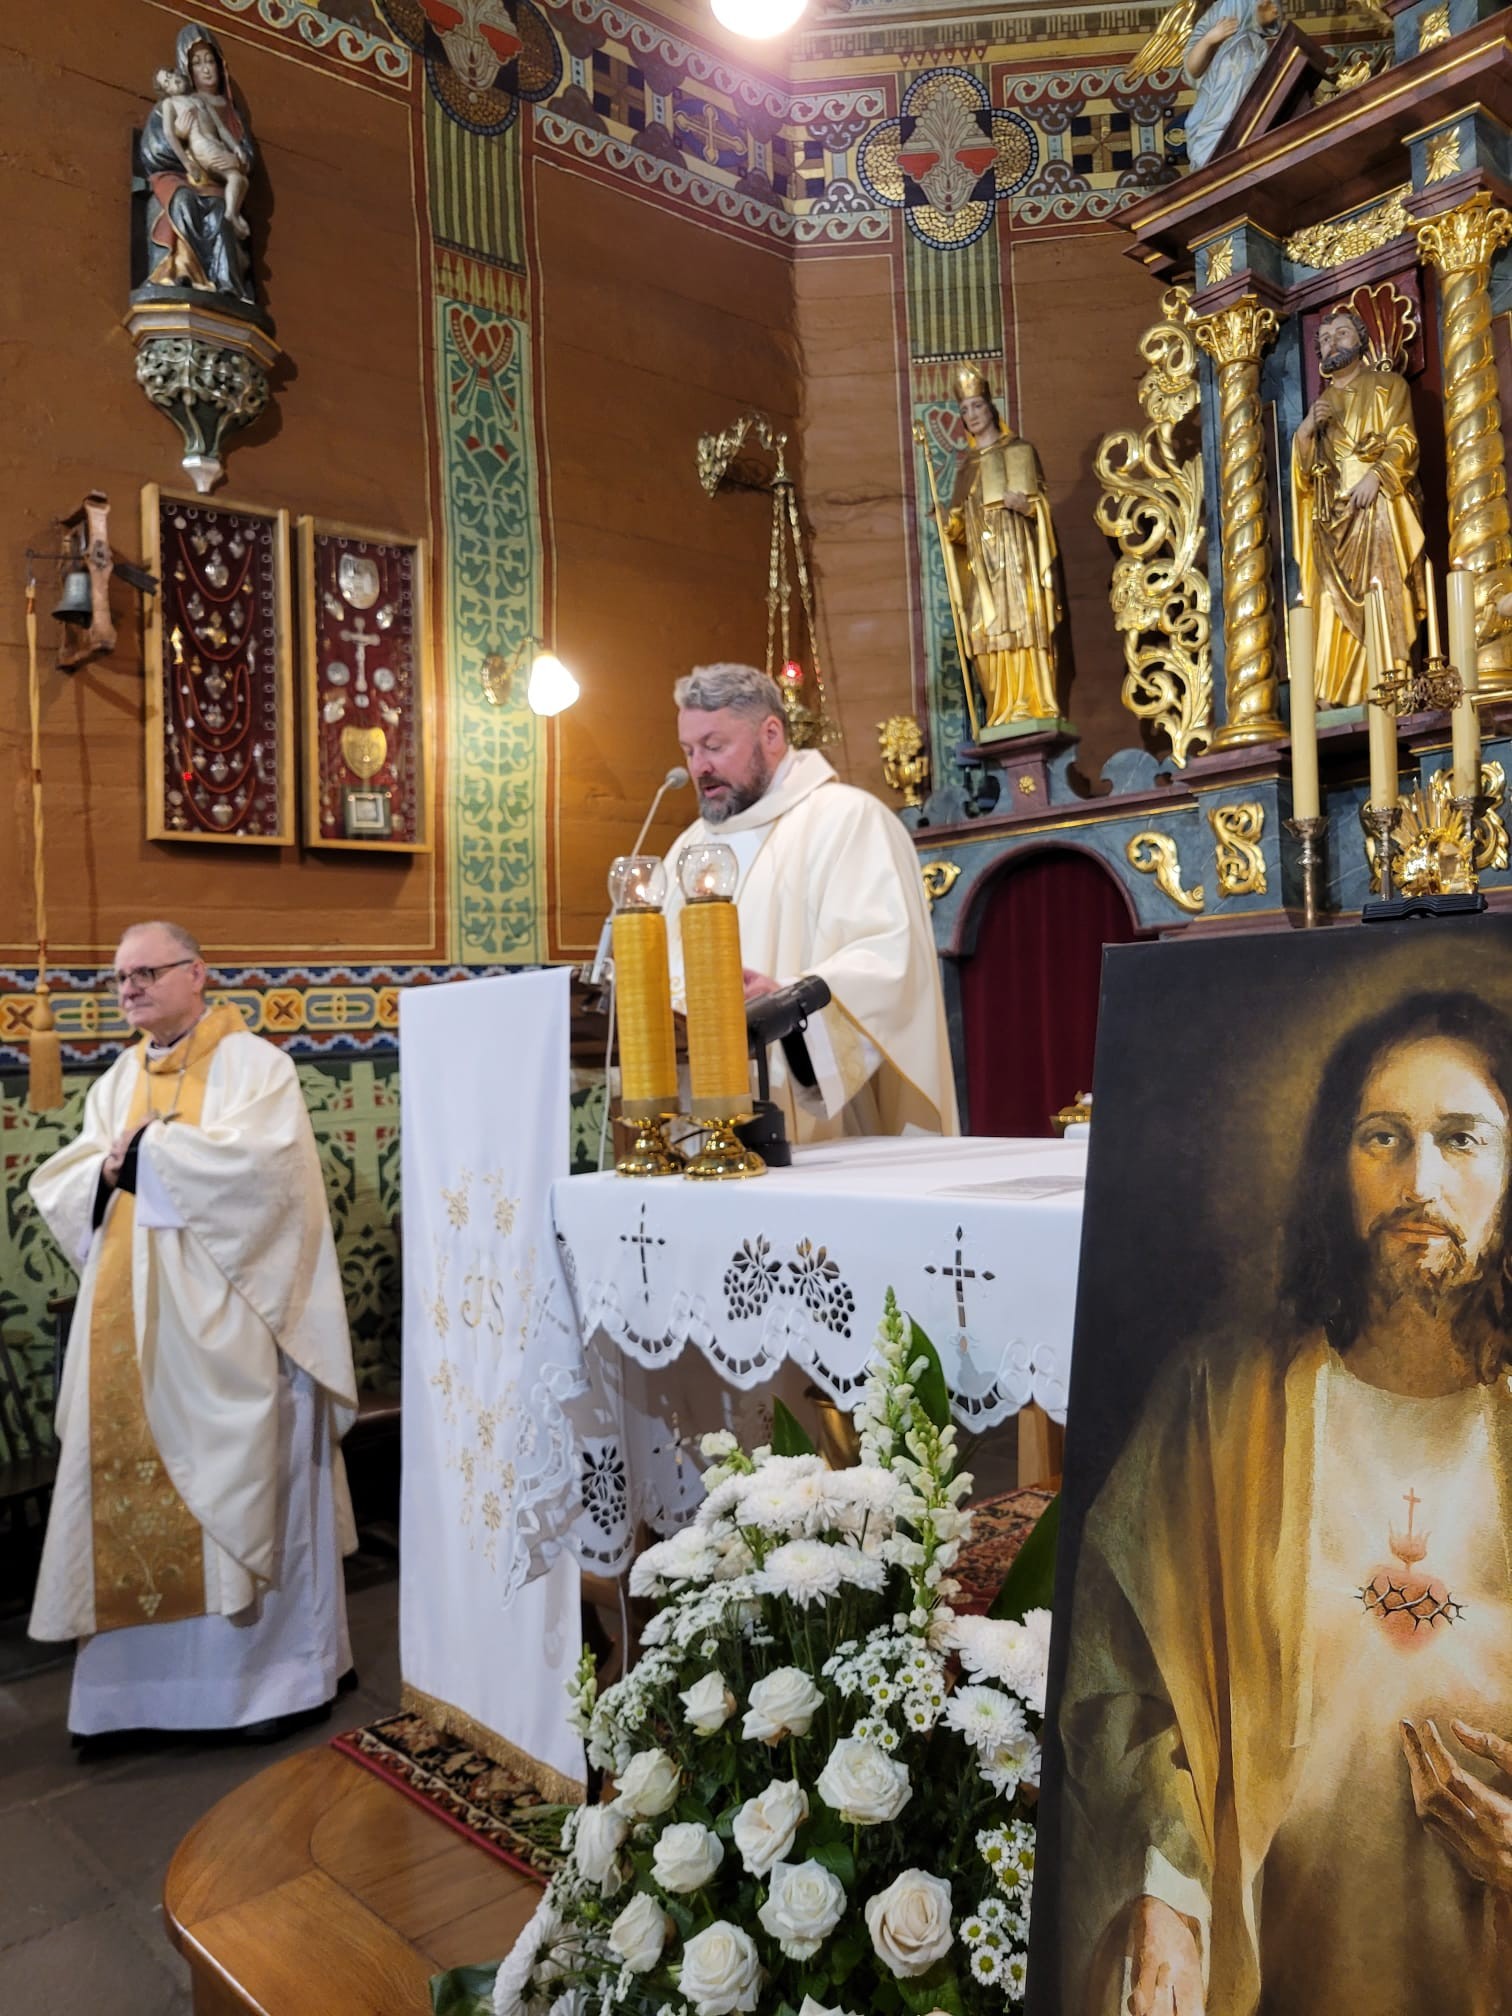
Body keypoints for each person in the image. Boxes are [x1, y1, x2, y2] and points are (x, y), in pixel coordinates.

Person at [1057, 990, 1512, 2014]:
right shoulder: (1221, 1403)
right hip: (1274, 1968)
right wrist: (1167, 1892)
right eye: (1383, 1137)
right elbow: (1125, 1678)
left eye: (1462, 1139)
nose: (1420, 1182)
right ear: (1333, 1167)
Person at [28, 921, 359, 1742]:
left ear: (197, 974)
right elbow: (78, 1171)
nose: (130, 988)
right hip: (126, 1321)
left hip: (234, 1321)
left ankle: (267, 1688)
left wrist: (154, 1154)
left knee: (251, 1481)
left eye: (146, 972)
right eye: (120, 978)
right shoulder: (118, 1077)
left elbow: (272, 1178)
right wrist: (109, 1169)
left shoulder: (258, 1068)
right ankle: (130, 1702)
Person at [661, 664, 958, 1142]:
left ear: (771, 734)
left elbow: (889, 960)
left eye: (714, 746)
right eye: (689, 750)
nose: (700, 767)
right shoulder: (689, 847)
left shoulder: (848, 820)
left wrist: (785, 1003)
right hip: (695, 1120)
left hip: (818, 1127)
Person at [1292, 306, 1426, 707]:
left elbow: (1404, 441)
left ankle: (1389, 681)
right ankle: (1337, 692)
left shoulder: (1388, 385)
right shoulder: (1320, 406)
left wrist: (1377, 476)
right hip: (1332, 520)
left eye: (1342, 333)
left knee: (1381, 590)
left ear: (1361, 341)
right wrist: (1304, 433)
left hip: (1377, 508)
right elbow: (1306, 478)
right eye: (1325, 338)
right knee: (1330, 599)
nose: (1333, 343)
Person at [945, 364, 1063, 727]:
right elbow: (959, 529)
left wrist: (1026, 506)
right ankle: (1001, 709)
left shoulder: (1021, 449)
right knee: (983, 628)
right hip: (983, 565)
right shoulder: (966, 467)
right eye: (965, 410)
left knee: (1024, 619)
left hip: (1016, 557)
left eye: (977, 406)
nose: (972, 415)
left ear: (990, 407)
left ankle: (1033, 702)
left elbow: (1041, 507)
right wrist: (949, 524)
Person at [137, 25, 256, 304]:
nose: (205, 69)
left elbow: (244, 153)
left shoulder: (231, 114)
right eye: (197, 63)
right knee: (182, 202)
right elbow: (153, 148)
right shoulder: (170, 106)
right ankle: (181, 274)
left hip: (217, 183)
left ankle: (227, 288)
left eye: (210, 61)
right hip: (179, 177)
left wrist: (238, 158)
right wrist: (181, 136)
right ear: (186, 69)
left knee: (221, 217)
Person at [1182, 0, 1281, 171]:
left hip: (1246, 81)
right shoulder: (1220, 13)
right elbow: (1192, 68)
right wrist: (1210, 38)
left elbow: (1267, 17)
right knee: (1239, 55)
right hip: (1219, 100)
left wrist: (1261, 18)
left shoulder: (1253, 42)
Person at [154, 68, 251, 240]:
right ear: (165, 91)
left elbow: (220, 127)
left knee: (242, 180)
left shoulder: (198, 100)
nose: (172, 82)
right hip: (202, 146)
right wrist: (187, 163)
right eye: (166, 83)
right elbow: (169, 133)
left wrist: (236, 147)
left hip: (217, 144)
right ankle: (230, 215)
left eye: (170, 76)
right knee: (235, 176)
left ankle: (233, 213)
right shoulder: (171, 103)